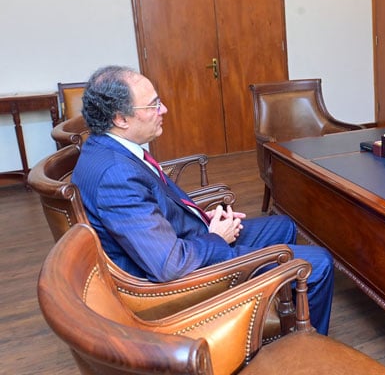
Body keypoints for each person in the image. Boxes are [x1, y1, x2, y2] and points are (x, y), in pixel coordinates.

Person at [72, 65, 334, 335]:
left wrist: (205, 219)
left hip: (187, 239)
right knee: (319, 264)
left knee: (284, 226)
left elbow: (157, 209)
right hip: (186, 277)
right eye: (153, 105)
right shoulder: (115, 175)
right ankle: (302, 346)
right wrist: (216, 237)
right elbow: (169, 265)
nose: (164, 111)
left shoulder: (106, 149)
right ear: (120, 119)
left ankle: (273, 311)